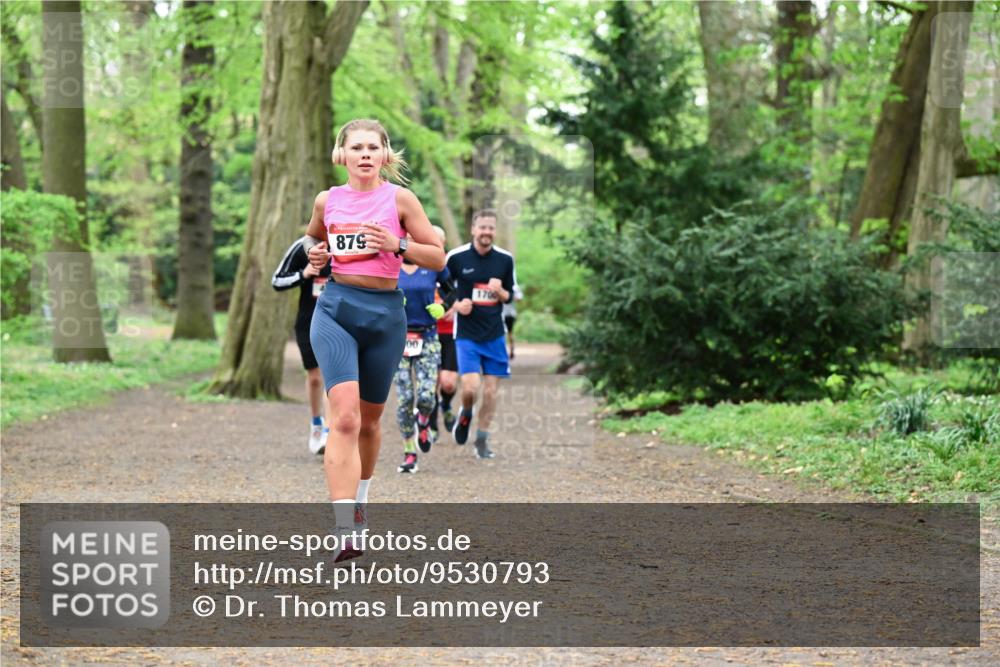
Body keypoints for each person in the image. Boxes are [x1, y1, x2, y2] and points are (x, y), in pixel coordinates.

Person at [304, 119, 445, 562]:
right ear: (341, 154)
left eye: (372, 147)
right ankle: (345, 528)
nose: (364, 154)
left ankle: (361, 503)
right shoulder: (327, 200)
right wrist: (316, 254)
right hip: (336, 309)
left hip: (386, 316)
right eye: (356, 147)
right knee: (343, 419)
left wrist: (397, 244)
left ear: (384, 155)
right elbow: (313, 237)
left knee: (368, 421)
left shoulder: (400, 200)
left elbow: (437, 256)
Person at [445, 209, 518, 459]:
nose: (487, 232)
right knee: (470, 389)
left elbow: (511, 295)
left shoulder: (505, 260)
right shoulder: (456, 258)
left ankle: (482, 440)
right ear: (473, 229)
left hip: (495, 334)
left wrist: (500, 293)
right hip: (466, 334)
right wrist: (455, 305)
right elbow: (440, 286)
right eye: (482, 227)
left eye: (491, 228)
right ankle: (465, 414)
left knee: (490, 392)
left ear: (494, 231)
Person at [393, 227, 453, 473]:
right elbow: (373, 289)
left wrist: (444, 306)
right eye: (406, 236)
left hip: (427, 336)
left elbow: (452, 288)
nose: (410, 240)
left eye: (415, 237)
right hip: (397, 339)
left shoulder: (432, 263)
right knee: (405, 398)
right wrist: (390, 301)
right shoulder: (391, 262)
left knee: (427, 396)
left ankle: (425, 421)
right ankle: (409, 451)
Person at [272, 237, 333, 455]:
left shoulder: (349, 241)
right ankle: (317, 425)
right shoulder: (303, 246)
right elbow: (277, 280)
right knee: (316, 377)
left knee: (333, 377)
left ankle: (331, 431)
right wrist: (304, 274)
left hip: (339, 321)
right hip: (309, 320)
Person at [502, 282, 524, 360]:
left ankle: (511, 350)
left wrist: (509, 296)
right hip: (500, 314)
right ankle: (503, 351)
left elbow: (519, 298)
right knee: (502, 333)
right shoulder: (499, 284)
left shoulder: (514, 287)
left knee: (510, 333)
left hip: (510, 314)